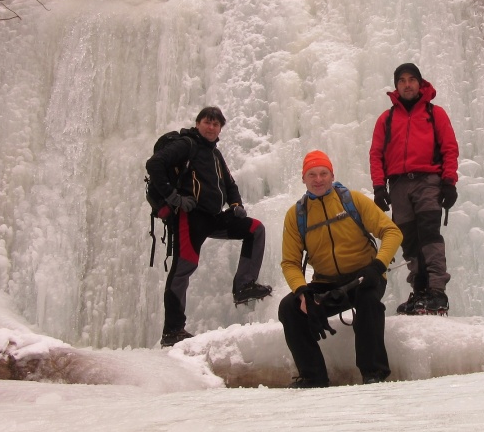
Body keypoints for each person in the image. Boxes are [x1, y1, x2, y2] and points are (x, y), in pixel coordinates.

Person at [146, 106, 271, 347]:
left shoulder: (215, 155)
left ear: (220, 128)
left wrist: (236, 205)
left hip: (213, 217)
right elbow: (155, 164)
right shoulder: (186, 145)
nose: (211, 127)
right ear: (198, 124)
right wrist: (173, 197)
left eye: (216, 124)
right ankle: (172, 330)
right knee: (184, 267)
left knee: (255, 229)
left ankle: (244, 285)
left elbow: (230, 185)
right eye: (207, 122)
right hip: (190, 216)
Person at [279, 151, 403, 388]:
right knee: (289, 308)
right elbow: (290, 262)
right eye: (312, 174)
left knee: (368, 301)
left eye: (323, 173)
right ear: (303, 179)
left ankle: (373, 373)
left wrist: (378, 266)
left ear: (332, 175)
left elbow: (392, 231)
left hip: (365, 276)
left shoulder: (353, 200)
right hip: (326, 283)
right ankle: (313, 376)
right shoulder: (296, 215)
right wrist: (302, 292)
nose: (318, 179)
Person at [368, 63, 459, 316]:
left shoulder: (434, 113)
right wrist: (379, 187)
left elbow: (449, 148)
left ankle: (437, 292)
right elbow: (376, 154)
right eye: (402, 80)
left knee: (429, 234)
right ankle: (420, 291)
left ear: (420, 83)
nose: (407, 85)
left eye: (411, 80)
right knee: (409, 240)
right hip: (398, 185)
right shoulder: (386, 119)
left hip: (427, 180)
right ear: (396, 86)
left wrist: (449, 182)